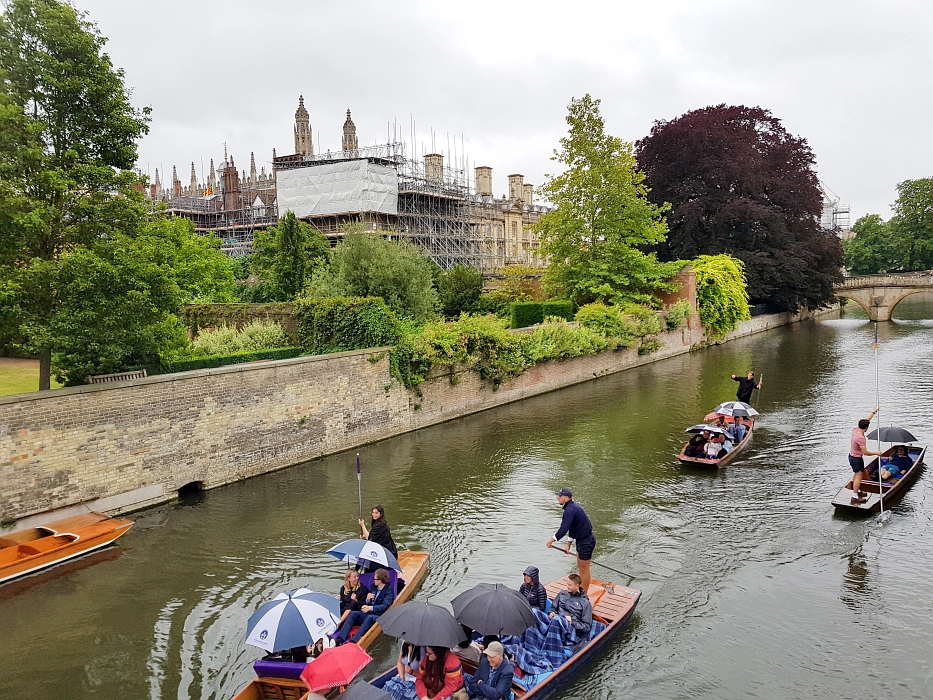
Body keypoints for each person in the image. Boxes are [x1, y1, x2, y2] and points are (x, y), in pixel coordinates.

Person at [546, 488, 596, 593]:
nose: (558, 498)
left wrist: (552, 540)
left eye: (560, 496)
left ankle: (584, 595)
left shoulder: (570, 510)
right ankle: (581, 591)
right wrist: (568, 545)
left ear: (566, 498)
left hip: (586, 541)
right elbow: (573, 528)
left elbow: (563, 528)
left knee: (584, 569)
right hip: (582, 541)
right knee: (581, 567)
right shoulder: (571, 508)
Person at [334, 567, 396, 644]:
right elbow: (368, 602)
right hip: (368, 612)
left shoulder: (389, 591)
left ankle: (354, 641)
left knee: (370, 617)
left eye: (375, 579)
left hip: (378, 615)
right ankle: (340, 638)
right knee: (353, 613)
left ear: (379, 581)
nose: (373, 580)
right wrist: (368, 599)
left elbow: (385, 606)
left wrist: (371, 608)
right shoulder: (374, 587)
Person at [849, 407, 883, 504]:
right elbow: (865, 452)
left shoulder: (855, 430)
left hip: (852, 456)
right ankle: (854, 497)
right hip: (856, 458)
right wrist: (877, 453)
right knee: (859, 476)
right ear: (866, 428)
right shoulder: (860, 438)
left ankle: (858, 491)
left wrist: (874, 412)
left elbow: (867, 420)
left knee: (856, 474)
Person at [550, 573, 592, 639]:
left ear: (577, 586)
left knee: (557, 619)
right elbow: (553, 607)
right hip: (555, 621)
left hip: (569, 628)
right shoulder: (562, 594)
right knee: (535, 612)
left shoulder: (585, 603)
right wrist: (551, 612)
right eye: (567, 584)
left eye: (570, 585)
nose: (567, 587)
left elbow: (586, 627)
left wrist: (572, 621)